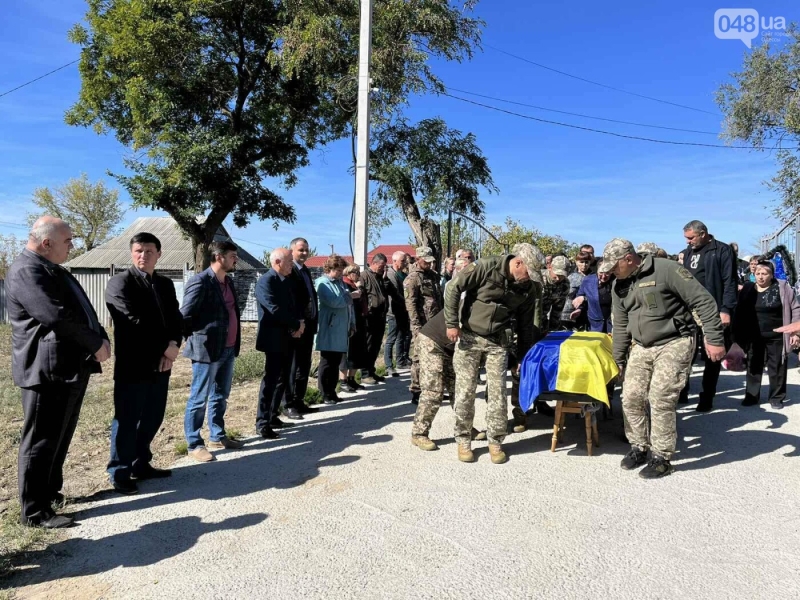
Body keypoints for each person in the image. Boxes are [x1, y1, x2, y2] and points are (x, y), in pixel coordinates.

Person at [6, 216, 111, 528]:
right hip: (45, 371)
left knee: (58, 436)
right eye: (68, 240)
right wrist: (95, 343)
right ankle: (34, 512)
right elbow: (55, 315)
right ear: (46, 242)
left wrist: (100, 335)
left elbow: (81, 310)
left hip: (66, 368)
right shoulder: (27, 270)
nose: (72, 245)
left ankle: (50, 494)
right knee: (40, 440)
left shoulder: (50, 268)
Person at [602, 238, 725, 479]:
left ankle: (662, 456)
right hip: (641, 345)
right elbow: (620, 324)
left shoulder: (667, 270)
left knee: (660, 397)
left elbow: (703, 301)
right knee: (631, 397)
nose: (612, 272)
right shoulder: (620, 285)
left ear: (628, 259)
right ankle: (639, 447)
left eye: (615, 266)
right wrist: (618, 358)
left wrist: (714, 338)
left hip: (674, 341)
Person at [445, 243, 543, 465]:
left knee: (498, 393)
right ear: (518, 263)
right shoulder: (487, 266)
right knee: (465, 390)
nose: (528, 278)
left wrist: (521, 357)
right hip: (470, 337)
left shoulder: (528, 288)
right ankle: (463, 440)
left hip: (498, 341)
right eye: (527, 272)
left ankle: (496, 440)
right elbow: (453, 288)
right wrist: (452, 323)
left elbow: (526, 325)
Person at [105, 232, 184, 494]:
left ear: (159, 254)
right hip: (134, 364)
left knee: (152, 417)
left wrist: (173, 344)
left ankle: (141, 463)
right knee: (127, 420)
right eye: (138, 250)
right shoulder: (120, 283)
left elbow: (175, 318)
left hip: (162, 364)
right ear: (131, 252)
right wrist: (165, 347)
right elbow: (132, 322)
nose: (143, 255)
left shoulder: (164, 284)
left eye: (149, 251)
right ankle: (120, 471)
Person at [182, 240, 244, 462]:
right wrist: (197, 339)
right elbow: (186, 315)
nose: (235, 259)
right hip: (207, 350)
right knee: (199, 398)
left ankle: (217, 436)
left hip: (227, 348)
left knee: (221, 395)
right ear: (219, 257)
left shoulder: (228, 282)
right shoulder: (200, 282)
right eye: (232, 255)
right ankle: (194, 443)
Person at [680, 220, 737, 412]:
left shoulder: (721, 250)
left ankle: (706, 397)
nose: (688, 242)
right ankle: (682, 391)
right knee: (685, 353)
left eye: (691, 238)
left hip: (712, 310)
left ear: (703, 233)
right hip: (689, 311)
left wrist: (726, 309)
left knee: (711, 355)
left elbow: (729, 281)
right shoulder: (688, 252)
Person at [733, 260, 800, 409]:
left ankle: (776, 397)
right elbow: (739, 310)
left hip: (777, 334)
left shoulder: (782, 287)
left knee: (777, 367)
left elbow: (795, 309)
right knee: (753, 366)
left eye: (764, 274)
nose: (761, 277)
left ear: (771, 275)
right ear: (753, 274)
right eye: (757, 273)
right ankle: (751, 396)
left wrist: (795, 332)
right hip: (753, 335)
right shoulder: (748, 288)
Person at [254, 248, 303, 438]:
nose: (292, 264)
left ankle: (273, 415)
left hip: (288, 336)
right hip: (273, 339)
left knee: (282, 379)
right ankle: (262, 422)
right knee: (271, 380)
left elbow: (293, 305)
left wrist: (299, 324)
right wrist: (296, 324)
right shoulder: (266, 281)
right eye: (289, 261)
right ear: (277, 262)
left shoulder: (287, 281)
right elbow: (274, 309)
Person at [283, 237, 320, 419]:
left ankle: (299, 400)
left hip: (308, 326)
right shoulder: (290, 272)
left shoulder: (305, 270)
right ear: (292, 251)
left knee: (304, 366)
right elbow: (291, 302)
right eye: (301, 250)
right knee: (292, 366)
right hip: (297, 327)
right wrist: (297, 323)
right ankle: (288, 404)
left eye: (306, 250)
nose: (304, 253)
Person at [404, 247, 443, 404]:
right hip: (422, 323)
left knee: (436, 355)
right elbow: (411, 304)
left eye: (430, 261)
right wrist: (416, 325)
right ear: (418, 258)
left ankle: (433, 388)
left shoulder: (433, 276)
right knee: (419, 357)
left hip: (436, 322)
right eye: (426, 261)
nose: (429, 263)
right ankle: (417, 389)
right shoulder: (412, 279)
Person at [314, 255, 354, 404]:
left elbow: (347, 304)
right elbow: (334, 301)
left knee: (336, 361)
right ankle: (324, 392)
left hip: (341, 326)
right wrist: (350, 296)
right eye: (337, 270)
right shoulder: (322, 283)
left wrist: (352, 323)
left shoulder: (340, 283)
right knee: (327, 361)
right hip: (329, 327)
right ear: (329, 268)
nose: (340, 273)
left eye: (341, 270)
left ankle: (332, 391)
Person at [339, 265, 368, 392]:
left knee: (356, 351)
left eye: (358, 271)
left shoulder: (356, 284)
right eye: (355, 272)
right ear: (349, 273)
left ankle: (352, 379)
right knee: (347, 352)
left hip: (360, 320)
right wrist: (356, 290)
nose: (358, 274)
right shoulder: (345, 284)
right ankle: (343, 380)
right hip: (350, 321)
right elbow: (347, 298)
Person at [360, 253, 388, 384]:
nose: (383, 269)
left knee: (376, 345)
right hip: (370, 317)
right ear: (374, 263)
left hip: (380, 316)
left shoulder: (380, 277)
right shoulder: (365, 276)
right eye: (381, 266)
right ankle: (365, 373)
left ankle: (371, 370)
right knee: (369, 345)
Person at [384, 251, 411, 376]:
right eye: (402, 261)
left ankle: (400, 361)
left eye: (405, 260)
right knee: (391, 338)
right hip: (393, 311)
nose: (405, 263)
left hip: (403, 311)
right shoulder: (391, 274)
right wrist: (406, 303)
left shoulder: (403, 275)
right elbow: (395, 294)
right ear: (394, 261)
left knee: (402, 336)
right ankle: (388, 365)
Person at [572, 259, 614, 334]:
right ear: (597, 271)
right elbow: (581, 296)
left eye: (607, 273)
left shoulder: (616, 281)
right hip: (594, 324)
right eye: (601, 273)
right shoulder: (588, 280)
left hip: (612, 324)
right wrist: (579, 309)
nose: (604, 276)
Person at [540, 255, 569, 335]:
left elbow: (557, 311)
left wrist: (553, 331)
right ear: (550, 267)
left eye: (562, 276)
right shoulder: (538, 278)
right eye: (556, 274)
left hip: (543, 322)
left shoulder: (565, 284)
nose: (558, 278)